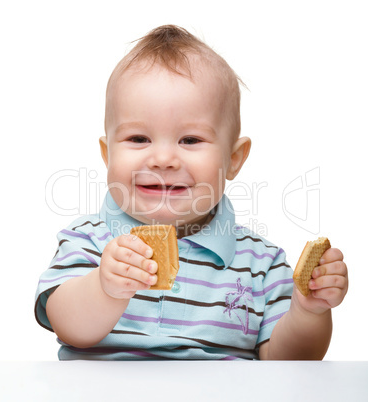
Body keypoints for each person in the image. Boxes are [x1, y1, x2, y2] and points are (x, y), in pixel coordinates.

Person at [35, 25, 348, 360]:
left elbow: (288, 364)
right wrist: (104, 288)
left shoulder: (262, 264)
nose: (164, 159)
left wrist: (308, 312)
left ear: (233, 159)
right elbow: (68, 327)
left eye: (190, 140)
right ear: (108, 154)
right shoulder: (87, 241)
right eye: (139, 139)